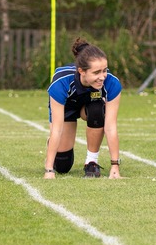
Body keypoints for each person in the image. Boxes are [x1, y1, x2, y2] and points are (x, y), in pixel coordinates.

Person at [44, 37, 122, 179]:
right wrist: (49, 170)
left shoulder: (111, 83)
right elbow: (57, 128)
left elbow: (110, 127)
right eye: (96, 72)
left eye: (104, 70)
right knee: (62, 166)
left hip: (89, 105)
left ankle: (91, 162)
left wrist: (115, 166)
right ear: (82, 71)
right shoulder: (60, 82)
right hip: (67, 108)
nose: (102, 77)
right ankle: (52, 148)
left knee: (97, 109)